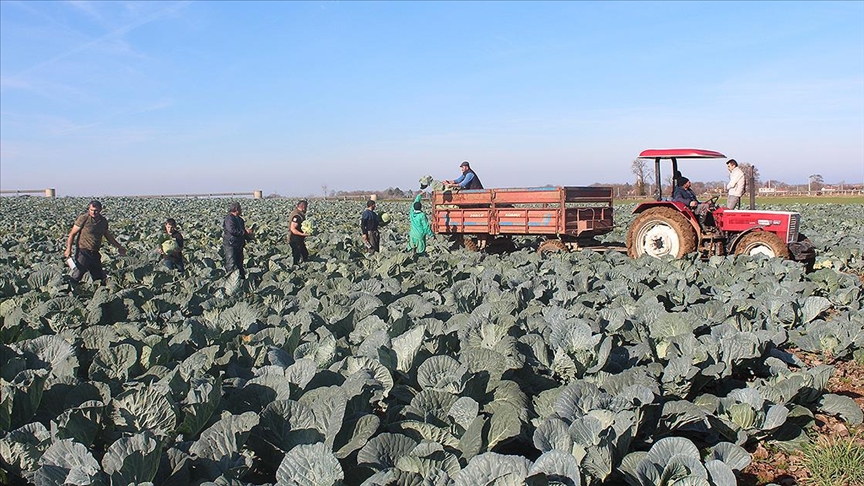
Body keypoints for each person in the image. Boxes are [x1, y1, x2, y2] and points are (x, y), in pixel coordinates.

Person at [64, 200, 127, 284]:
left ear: (100, 210)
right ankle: (68, 291)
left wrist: (119, 246)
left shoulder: (103, 221)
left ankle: (98, 292)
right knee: (78, 274)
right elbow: (72, 234)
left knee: (98, 276)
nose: (93, 212)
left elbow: (108, 236)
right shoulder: (84, 218)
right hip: (83, 251)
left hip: (95, 252)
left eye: (96, 210)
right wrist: (68, 249)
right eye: (91, 210)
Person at [222, 201, 253, 279]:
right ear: (236, 209)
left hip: (239, 245)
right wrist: (245, 231)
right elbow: (232, 230)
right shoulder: (229, 218)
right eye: (240, 208)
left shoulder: (240, 220)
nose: (241, 210)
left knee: (240, 264)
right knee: (231, 263)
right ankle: (229, 281)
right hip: (230, 244)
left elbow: (241, 232)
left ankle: (241, 281)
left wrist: (249, 236)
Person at [287, 199, 310, 264]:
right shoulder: (297, 216)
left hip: (299, 239)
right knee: (296, 255)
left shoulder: (298, 213)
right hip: (295, 239)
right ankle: (295, 269)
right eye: (306, 207)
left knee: (304, 254)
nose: (306, 209)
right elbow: (293, 229)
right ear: (303, 207)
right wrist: (303, 234)